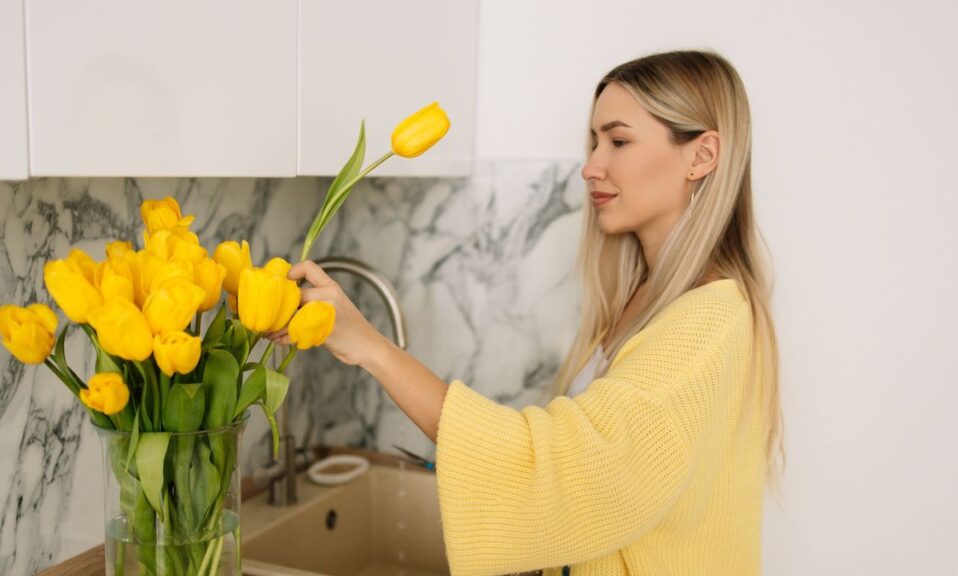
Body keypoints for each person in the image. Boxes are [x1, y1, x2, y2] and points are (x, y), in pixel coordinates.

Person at [267, 49, 783, 576]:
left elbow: (571, 472)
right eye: (594, 141)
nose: (591, 166)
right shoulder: (646, 298)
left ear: (702, 156)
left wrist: (372, 349)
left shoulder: (707, 322)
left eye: (619, 141)